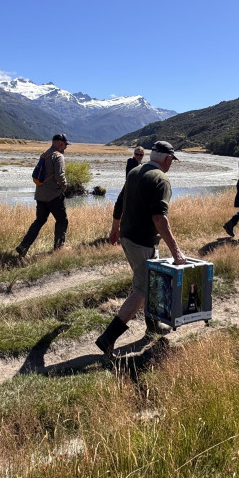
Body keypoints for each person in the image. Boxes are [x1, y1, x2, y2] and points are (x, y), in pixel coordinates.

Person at [96, 141, 188, 358]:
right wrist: (176, 252)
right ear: (167, 159)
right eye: (171, 161)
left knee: (151, 281)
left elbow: (120, 202)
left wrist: (115, 228)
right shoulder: (161, 179)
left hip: (129, 237)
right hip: (142, 241)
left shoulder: (135, 171)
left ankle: (153, 326)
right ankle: (107, 338)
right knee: (142, 288)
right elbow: (159, 218)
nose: (171, 165)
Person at [16, 134, 70, 259]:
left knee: (39, 221)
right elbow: (60, 176)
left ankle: (23, 247)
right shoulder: (58, 156)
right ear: (59, 143)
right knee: (62, 220)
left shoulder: (45, 154)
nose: (66, 147)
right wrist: (64, 186)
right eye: (65, 144)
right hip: (54, 196)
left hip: (40, 195)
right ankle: (59, 248)